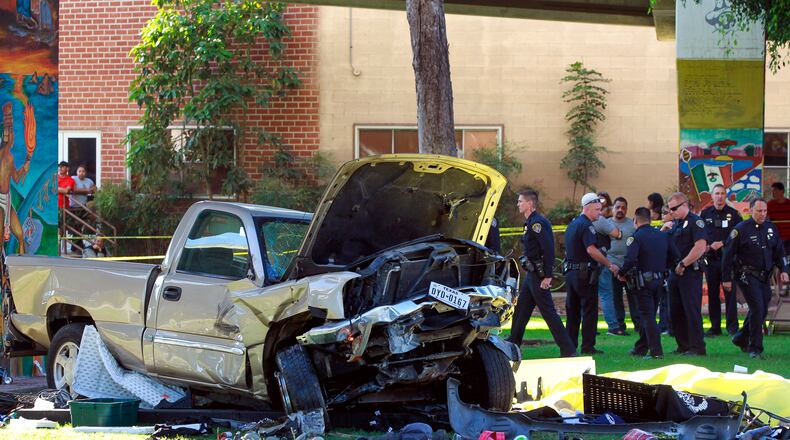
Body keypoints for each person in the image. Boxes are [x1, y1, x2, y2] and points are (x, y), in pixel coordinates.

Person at [507, 190, 577, 357]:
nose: (518, 204)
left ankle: (568, 350)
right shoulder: (530, 222)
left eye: (520, 201)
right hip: (532, 275)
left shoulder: (537, 223)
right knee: (521, 309)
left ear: (530, 204)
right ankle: (513, 343)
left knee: (548, 313)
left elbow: (548, 249)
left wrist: (547, 276)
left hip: (538, 276)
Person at [722, 198, 789, 359]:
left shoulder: (771, 228)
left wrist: (784, 270)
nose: (763, 214)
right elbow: (727, 255)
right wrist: (726, 279)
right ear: (751, 210)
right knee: (758, 309)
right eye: (759, 211)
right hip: (746, 275)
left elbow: (779, 251)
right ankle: (755, 348)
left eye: (765, 211)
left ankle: (740, 338)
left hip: (764, 276)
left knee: (761, 310)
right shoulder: (740, 229)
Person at [564, 193, 620, 355]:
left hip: (571, 273)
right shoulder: (587, 225)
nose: (600, 213)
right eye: (597, 209)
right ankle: (588, 346)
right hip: (584, 274)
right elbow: (591, 249)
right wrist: (609, 264)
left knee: (573, 312)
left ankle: (570, 347)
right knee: (589, 310)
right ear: (587, 208)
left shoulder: (573, 223)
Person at [619, 207, 678, 359]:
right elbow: (674, 256)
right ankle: (641, 348)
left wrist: (621, 273)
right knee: (650, 314)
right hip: (659, 281)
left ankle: (656, 351)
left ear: (635, 220)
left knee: (647, 316)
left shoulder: (636, 237)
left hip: (642, 282)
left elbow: (630, 259)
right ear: (650, 220)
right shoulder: (662, 236)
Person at [666, 192, 707, 356]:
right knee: (675, 311)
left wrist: (684, 263)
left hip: (690, 272)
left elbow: (700, 247)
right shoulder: (676, 224)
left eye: (674, 208)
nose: (672, 212)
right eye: (669, 209)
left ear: (684, 205)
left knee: (691, 310)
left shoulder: (695, 222)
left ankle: (697, 347)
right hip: (675, 273)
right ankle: (683, 345)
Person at [700, 184, 742, 337]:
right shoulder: (705, 214)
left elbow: (739, 235)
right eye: (716, 193)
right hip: (711, 260)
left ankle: (732, 328)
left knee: (730, 294)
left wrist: (723, 243)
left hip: (728, 260)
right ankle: (715, 327)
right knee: (712, 295)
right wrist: (707, 245)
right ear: (712, 196)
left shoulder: (734, 214)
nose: (719, 196)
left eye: (722, 193)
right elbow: (699, 234)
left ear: (726, 196)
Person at [606, 197, 641, 336]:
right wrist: (610, 265)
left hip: (629, 267)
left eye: (623, 208)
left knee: (634, 297)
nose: (620, 210)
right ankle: (620, 324)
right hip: (612, 267)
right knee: (616, 297)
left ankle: (638, 325)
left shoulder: (632, 224)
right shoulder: (606, 224)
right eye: (618, 207)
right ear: (612, 208)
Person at [593, 192, 622, 335]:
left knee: (588, 296)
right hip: (601, 261)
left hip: (586, 264)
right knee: (606, 294)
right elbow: (617, 234)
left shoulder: (580, 220)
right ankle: (613, 326)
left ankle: (589, 326)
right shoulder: (601, 220)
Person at [657, 205, 674, 336]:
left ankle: (669, 325)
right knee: (663, 299)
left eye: (666, 213)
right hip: (662, 268)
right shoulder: (660, 230)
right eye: (662, 213)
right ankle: (663, 324)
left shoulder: (675, 229)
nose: (663, 216)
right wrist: (662, 229)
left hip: (672, 267)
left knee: (669, 300)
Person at [767, 182, 790, 255]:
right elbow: (767, 221)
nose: (773, 193)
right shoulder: (769, 204)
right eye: (772, 191)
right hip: (776, 239)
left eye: (775, 190)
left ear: (782, 191)